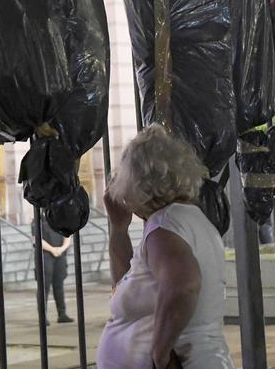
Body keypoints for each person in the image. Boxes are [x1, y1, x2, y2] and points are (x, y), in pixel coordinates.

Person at [97, 124, 234, 369]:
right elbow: (124, 288)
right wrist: (119, 229)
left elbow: (183, 286)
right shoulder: (183, 220)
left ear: (136, 180)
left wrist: (159, 354)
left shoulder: (165, 227)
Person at [38, 214, 73, 324]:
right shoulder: (39, 219)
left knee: (59, 286)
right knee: (44, 287)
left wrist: (62, 249)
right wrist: (53, 250)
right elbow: (36, 238)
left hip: (60, 254)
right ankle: (43, 317)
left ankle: (62, 314)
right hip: (45, 255)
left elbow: (67, 235)